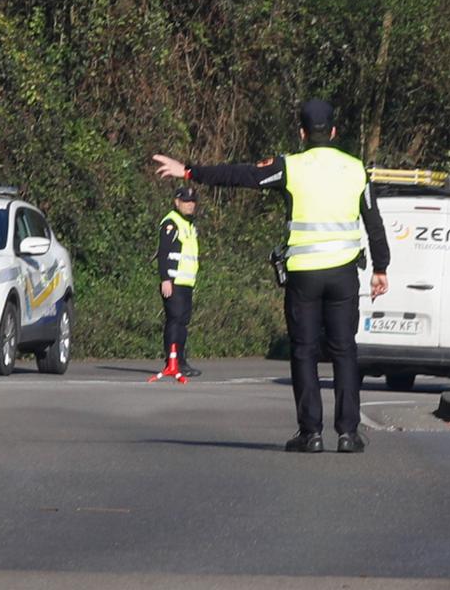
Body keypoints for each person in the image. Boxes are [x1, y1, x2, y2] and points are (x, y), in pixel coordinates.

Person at [152, 98, 388, 453]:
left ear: (302, 133)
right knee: (345, 351)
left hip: (304, 275)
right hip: (343, 275)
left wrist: (189, 171)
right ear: (335, 132)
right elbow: (374, 222)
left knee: (304, 351)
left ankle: (310, 434)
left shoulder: (290, 167)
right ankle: (348, 433)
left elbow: (243, 175)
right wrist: (381, 267)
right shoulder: (356, 169)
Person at [156, 185, 202, 378]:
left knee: (182, 322)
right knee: (174, 321)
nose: (190, 205)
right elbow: (163, 253)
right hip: (174, 282)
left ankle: (180, 360)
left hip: (186, 283)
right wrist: (165, 279)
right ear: (177, 202)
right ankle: (172, 361)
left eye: (192, 202)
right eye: (186, 201)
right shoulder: (171, 223)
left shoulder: (190, 225)